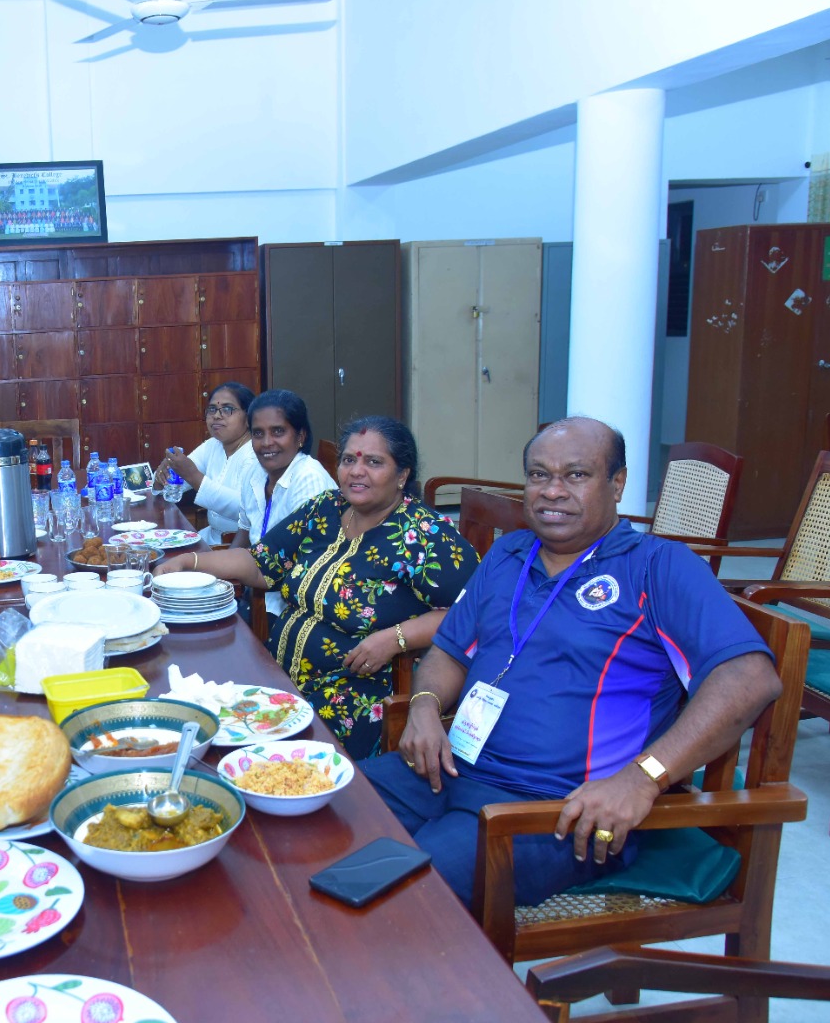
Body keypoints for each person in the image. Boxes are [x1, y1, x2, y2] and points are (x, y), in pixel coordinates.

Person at [359, 417, 782, 908]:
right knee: (319, 817)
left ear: (617, 483)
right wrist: (426, 707)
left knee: (394, 891)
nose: (552, 491)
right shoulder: (507, 554)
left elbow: (750, 678)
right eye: (539, 475)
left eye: (576, 475)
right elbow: (450, 650)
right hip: (445, 769)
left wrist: (644, 777)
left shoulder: (657, 566)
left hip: (555, 811)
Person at [155, 416, 477, 758]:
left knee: (252, 760)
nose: (356, 471)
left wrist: (395, 637)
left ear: (402, 475)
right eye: (349, 460)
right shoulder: (326, 507)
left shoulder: (425, 534)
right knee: (193, 721)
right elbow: (261, 563)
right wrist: (189, 563)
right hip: (278, 674)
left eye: (374, 462)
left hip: (354, 697)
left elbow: (471, 610)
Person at [231, 389, 337, 614]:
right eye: (258, 434)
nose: (266, 443)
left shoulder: (309, 479)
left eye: (278, 431)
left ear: (300, 437)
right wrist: (224, 584)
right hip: (254, 595)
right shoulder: (254, 473)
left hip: (291, 609)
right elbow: (243, 532)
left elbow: (305, 569)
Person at [157, 380, 260, 543]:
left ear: (248, 418)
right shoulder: (213, 445)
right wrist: (163, 476)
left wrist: (193, 476)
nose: (217, 416)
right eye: (212, 409)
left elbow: (246, 509)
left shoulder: (257, 452)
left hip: (239, 545)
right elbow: (177, 484)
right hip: (212, 536)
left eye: (227, 409)